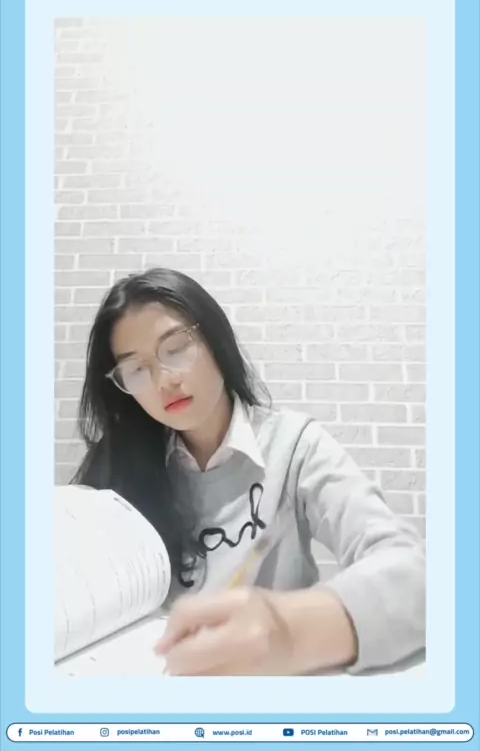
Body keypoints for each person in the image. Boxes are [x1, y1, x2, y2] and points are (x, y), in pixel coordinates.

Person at [72, 267, 425, 677]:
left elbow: (416, 576)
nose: (164, 381)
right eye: (135, 370)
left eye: (176, 348)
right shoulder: (118, 467)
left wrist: (290, 632)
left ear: (215, 339)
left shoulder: (294, 446)